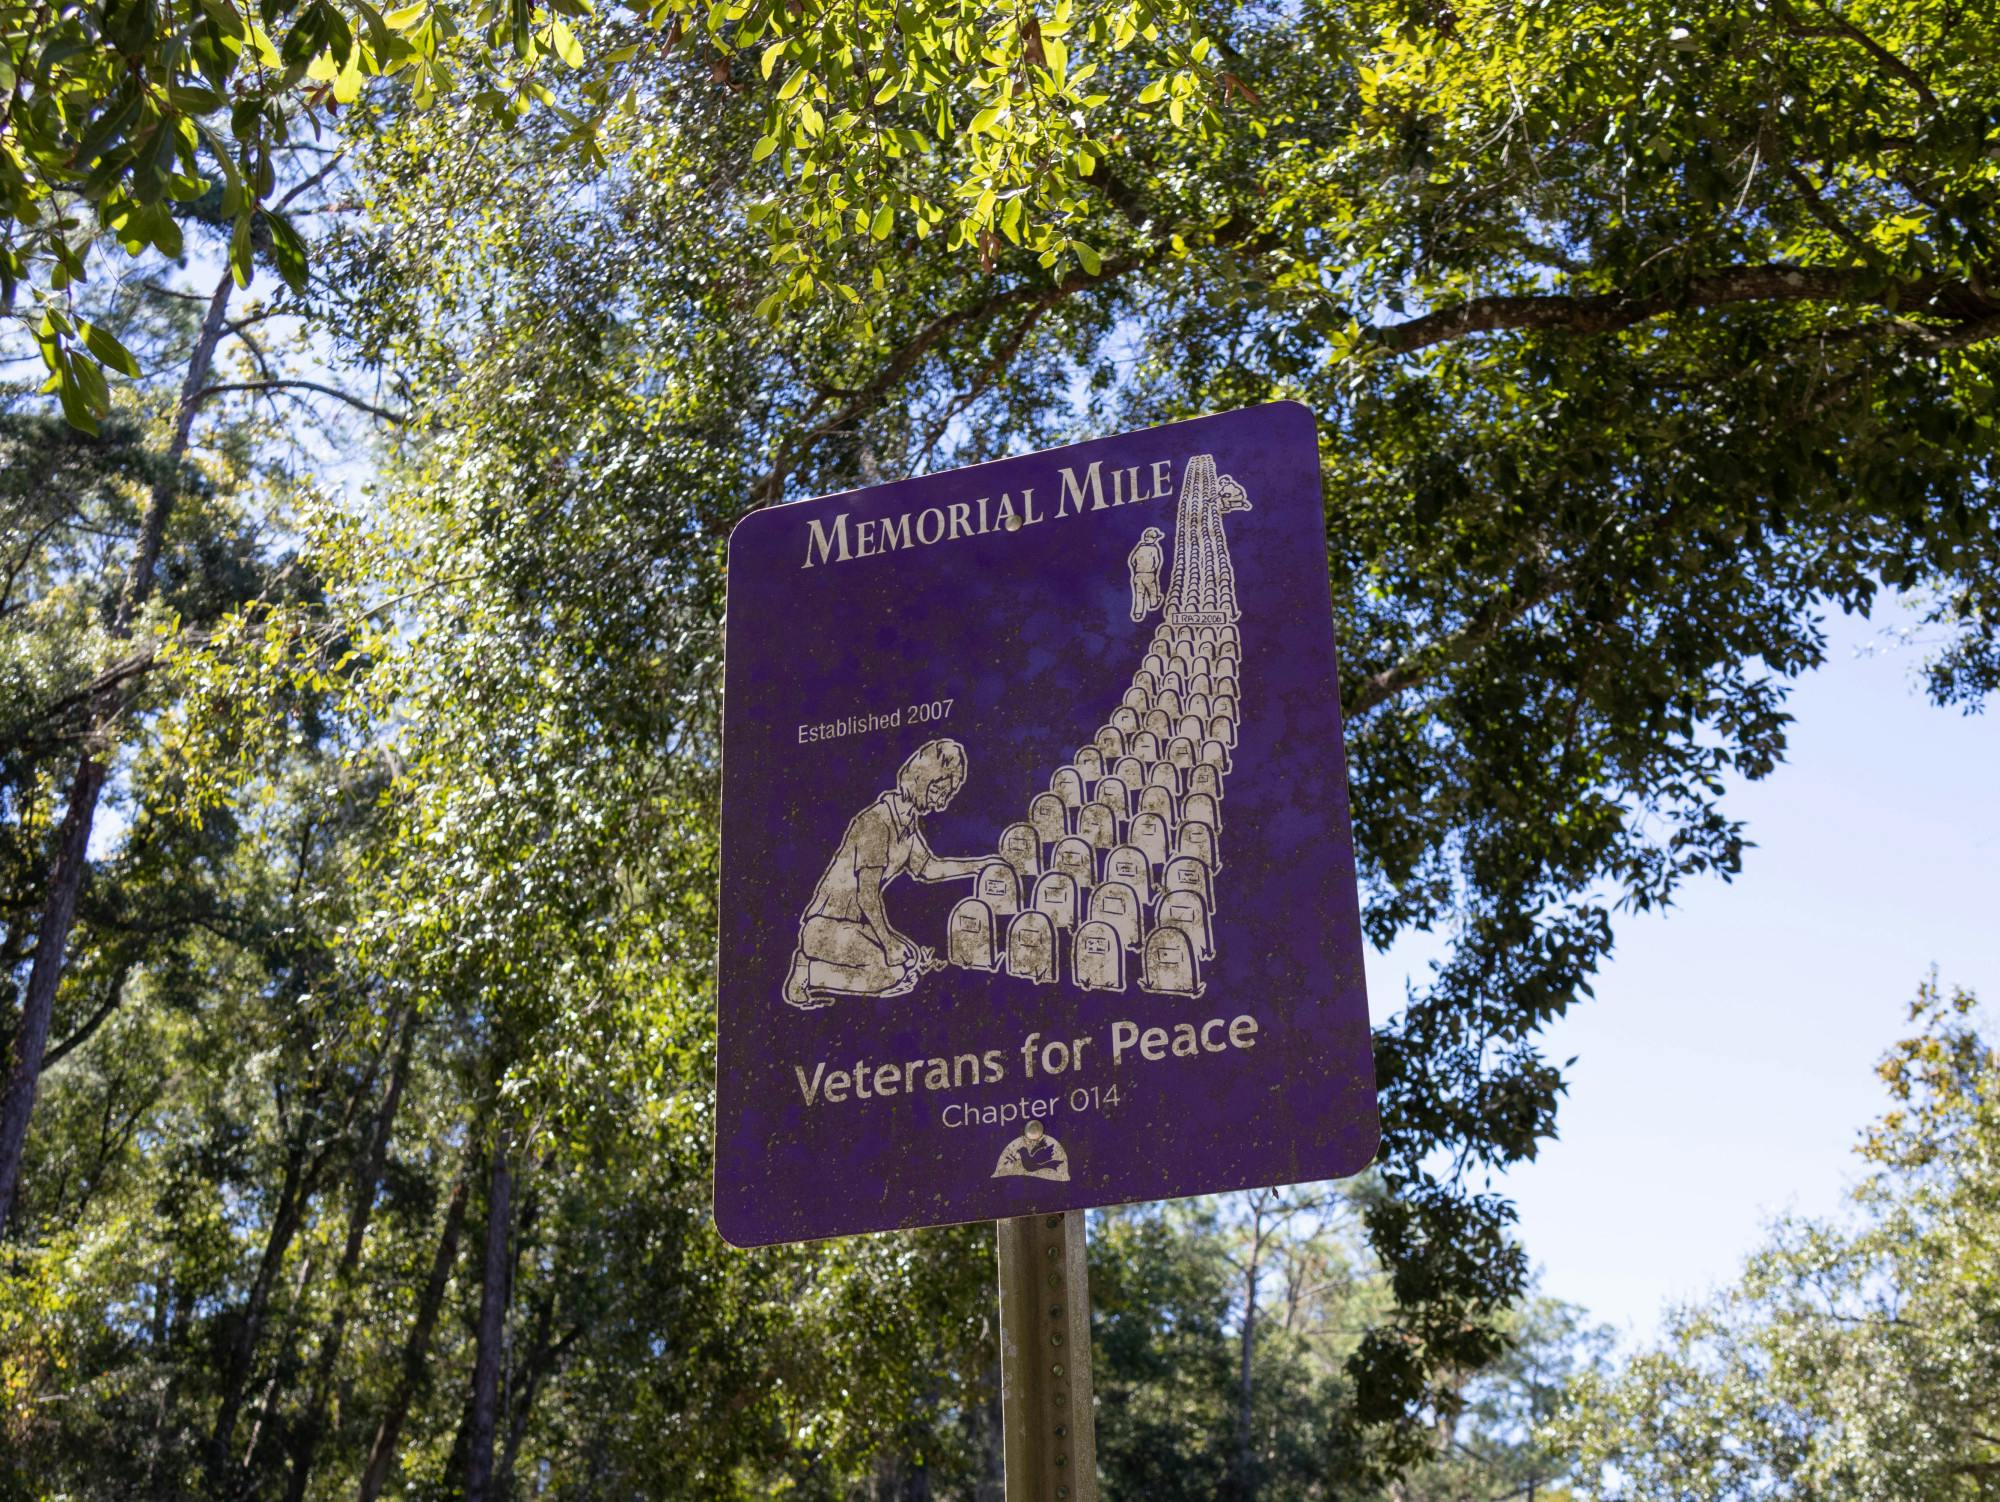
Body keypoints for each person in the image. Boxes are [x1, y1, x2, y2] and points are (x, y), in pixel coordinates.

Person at [783, 738, 987, 1009]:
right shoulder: (876, 822)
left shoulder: (907, 825)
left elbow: (929, 868)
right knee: (891, 972)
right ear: (923, 778)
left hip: (854, 926)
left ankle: (818, 966)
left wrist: (979, 866)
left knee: (910, 960)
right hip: (825, 927)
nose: (941, 803)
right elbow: (867, 894)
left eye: (947, 794)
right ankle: (807, 972)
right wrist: (888, 942)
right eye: (940, 790)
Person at [1127, 527, 1165, 620]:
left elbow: (1132, 561)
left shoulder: (1139, 548)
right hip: (1149, 574)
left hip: (1138, 575)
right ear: (1153, 538)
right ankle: (1153, 604)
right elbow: (1157, 562)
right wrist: (1153, 569)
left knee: (1139, 595)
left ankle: (1138, 613)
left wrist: (1136, 569)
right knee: (1152, 591)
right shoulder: (1154, 549)